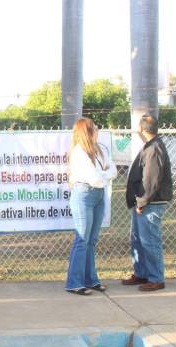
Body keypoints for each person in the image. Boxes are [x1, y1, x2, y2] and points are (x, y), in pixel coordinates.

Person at [64, 118, 117, 296]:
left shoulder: (100, 149)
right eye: (94, 127)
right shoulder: (79, 152)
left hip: (99, 195)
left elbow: (114, 171)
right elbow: (94, 178)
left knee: (92, 240)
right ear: (87, 131)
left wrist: (102, 174)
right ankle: (74, 282)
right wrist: (104, 175)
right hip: (84, 195)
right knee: (82, 239)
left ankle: (91, 279)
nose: (97, 129)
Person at [122, 114, 173, 292]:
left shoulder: (155, 148)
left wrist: (142, 201)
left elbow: (151, 180)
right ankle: (141, 273)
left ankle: (156, 278)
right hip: (144, 202)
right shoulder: (150, 146)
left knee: (150, 241)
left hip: (151, 203)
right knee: (138, 240)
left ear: (142, 129)